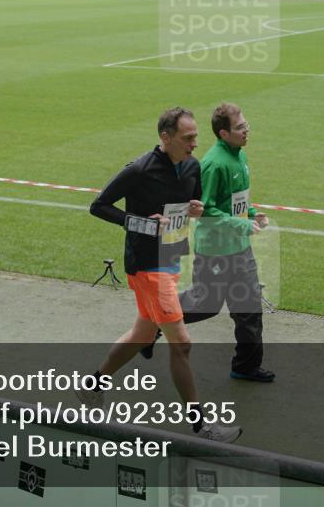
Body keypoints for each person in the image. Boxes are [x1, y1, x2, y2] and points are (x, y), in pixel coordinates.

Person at [79, 107, 242, 443]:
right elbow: (99, 206)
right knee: (181, 344)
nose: (195, 143)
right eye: (188, 138)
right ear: (165, 138)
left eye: (196, 137)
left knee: (142, 334)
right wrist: (140, 223)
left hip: (170, 258)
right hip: (146, 266)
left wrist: (195, 209)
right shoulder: (140, 169)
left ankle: (91, 386)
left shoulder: (192, 166)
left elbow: (190, 205)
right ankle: (202, 427)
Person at [142, 104, 274, 383]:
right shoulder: (214, 164)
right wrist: (240, 224)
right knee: (206, 304)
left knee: (249, 308)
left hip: (240, 247)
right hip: (215, 251)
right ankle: (156, 321)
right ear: (224, 133)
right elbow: (206, 209)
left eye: (246, 125)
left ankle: (246, 366)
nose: (246, 130)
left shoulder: (240, 155)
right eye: (240, 127)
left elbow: (235, 200)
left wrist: (251, 214)